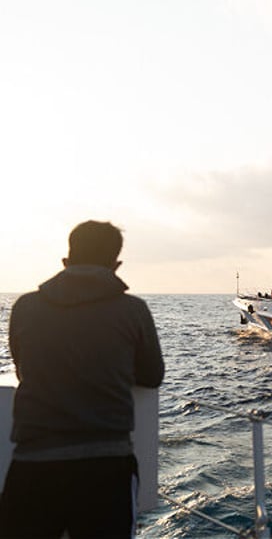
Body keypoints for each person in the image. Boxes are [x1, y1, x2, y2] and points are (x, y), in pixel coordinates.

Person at [0, 220, 165, 538]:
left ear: (67, 259)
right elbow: (152, 376)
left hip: (33, 465)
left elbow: (23, 370)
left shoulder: (24, 307)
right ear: (116, 264)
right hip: (106, 468)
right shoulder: (133, 310)